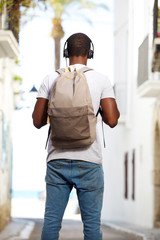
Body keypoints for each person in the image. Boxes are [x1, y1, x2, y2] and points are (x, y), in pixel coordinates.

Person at [32, 32, 120, 240]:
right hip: (89, 161)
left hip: (57, 160)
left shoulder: (51, 78)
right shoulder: (101, 80)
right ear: (90, 53)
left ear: (66, 52)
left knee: (52, 223)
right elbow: (113, 120)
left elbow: (37, 121)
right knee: (91, 227)